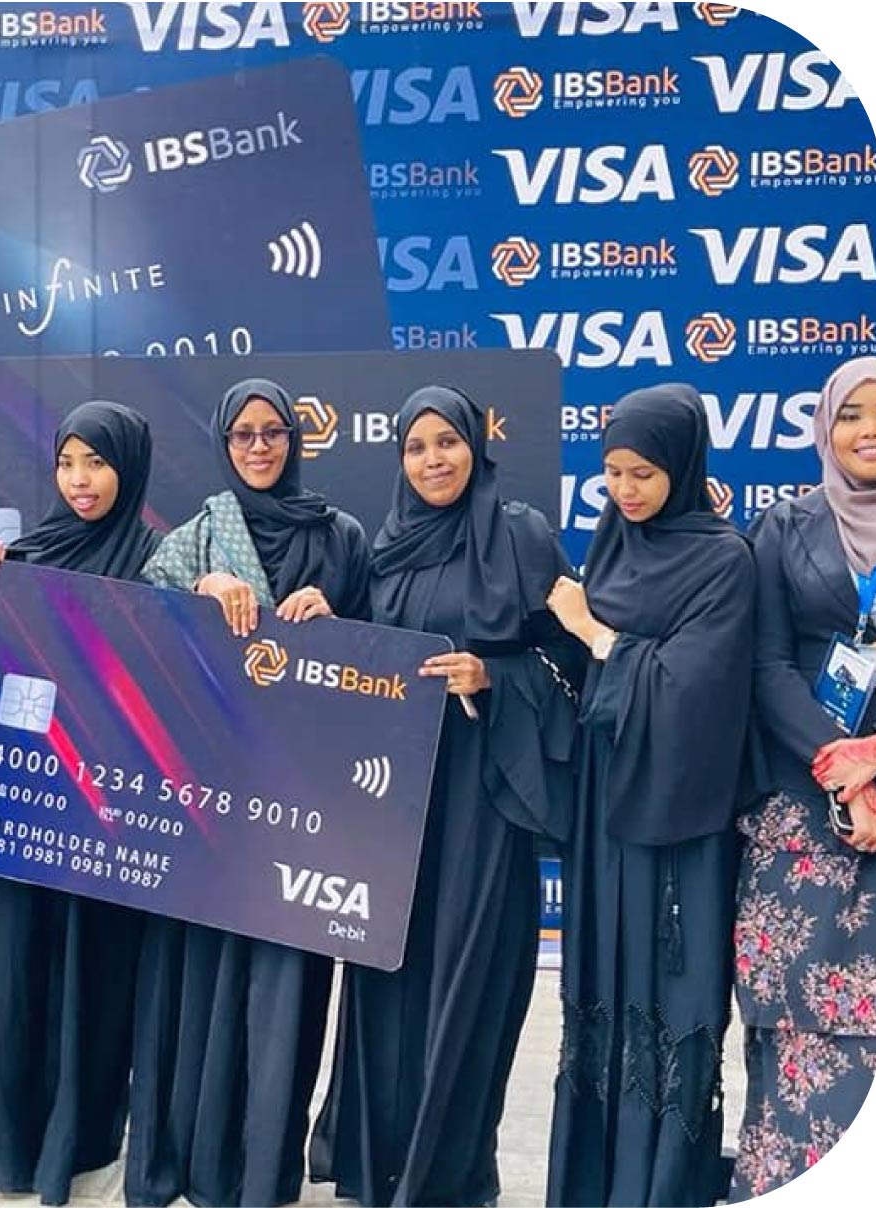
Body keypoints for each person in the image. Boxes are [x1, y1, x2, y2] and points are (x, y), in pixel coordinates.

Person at [307, 385, 584, 1207]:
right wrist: (323, 615)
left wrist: (490, 675)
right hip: (396, 800)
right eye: (415, 447)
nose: (432, 461)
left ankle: (450, 1174)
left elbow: (576, 665)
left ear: (475, 445)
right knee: (387, 973)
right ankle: (374, 1165)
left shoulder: (522, 537)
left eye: (446, 442)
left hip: (485, 795)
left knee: (468, 980)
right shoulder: (384, 546)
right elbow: (359, 658)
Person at [127, 377, 371, 1207]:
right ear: (223, 444)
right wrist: (198, 595)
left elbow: (381, 664)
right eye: (243, 434)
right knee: (201, 981)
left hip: (302, 805)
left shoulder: (339, 537)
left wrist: (334, 621)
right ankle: (195, 1158)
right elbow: (138, 642)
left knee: (282, 990)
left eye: (273, 432)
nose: (259, 447)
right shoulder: (195, 538)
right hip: (209, 803)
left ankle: (263, 1169)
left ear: (295, 440)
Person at [545, 384, 756, 1207]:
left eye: (642, 473)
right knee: (599, 988)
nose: (625, 490)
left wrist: (594, 633)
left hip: (679, 819)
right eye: (611, 472)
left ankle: (661, 1185)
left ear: (682, 464)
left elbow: (693, 690)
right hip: (605, 810)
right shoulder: (610, 544)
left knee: (674, 1001)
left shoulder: (723, 559)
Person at [0, 401, 161, 1206]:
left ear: (130, 468)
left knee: (99, 971)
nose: (80, 480)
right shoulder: (22, 558)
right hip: (28, 806)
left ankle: (84, 1137)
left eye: (98, 462)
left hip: (109, 818)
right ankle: (16, 1146)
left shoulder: (156, 561)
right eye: (67, 462)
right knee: (21, 971)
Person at [729, 356, 876, 1200]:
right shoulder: (784, 526)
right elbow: (764, 664)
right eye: (850, 414)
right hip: (801, 807)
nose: (868, 430)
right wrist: (842, 769)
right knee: (793, 1018)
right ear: (825, 427)